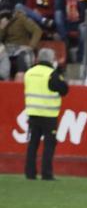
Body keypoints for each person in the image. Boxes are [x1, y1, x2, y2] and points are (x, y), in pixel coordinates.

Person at [23, 47, 67, 181]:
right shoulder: (52, 74)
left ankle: (30, 173)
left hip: (33, 113)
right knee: (49, 145)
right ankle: (46, 173)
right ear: (51, 59)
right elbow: (64, 89)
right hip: (49, 114)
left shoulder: (29, 72)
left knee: (33, 144)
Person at [0, 8, 43, 76]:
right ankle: (3, 78)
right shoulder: (2, 22)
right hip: (6, 48)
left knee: (22, 57)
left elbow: (37, 31)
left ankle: (21, 76)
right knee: (3, 56)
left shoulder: (21, 19)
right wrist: (2, 28)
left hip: (21, 47)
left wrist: (31, 46)